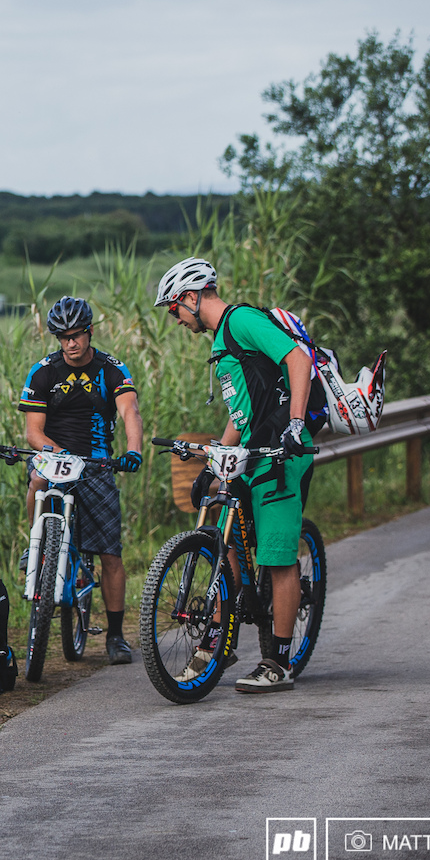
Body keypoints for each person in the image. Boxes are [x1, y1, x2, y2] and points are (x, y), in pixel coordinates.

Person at [155, 257, 314, 693]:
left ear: (190, 297)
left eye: (173, 309)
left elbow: (298, 360)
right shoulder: (221, 340)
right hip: (251, 448)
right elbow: (240, 414)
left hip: (281, 451)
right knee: (225, 546)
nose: (175, 319)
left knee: (278, 557)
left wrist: (296, 427)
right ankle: (219, 643)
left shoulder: (240, 320)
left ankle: (277, 663)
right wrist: (212, 465)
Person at [18, 296, 145, 665]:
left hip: (97, 462)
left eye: (76, 336)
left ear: (89, 332)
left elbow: (129, 411)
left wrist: (133, 450)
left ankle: (116, 635)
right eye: (63, 337)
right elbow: (33, 433)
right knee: (37, 483)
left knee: (110, 552)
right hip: (55, 455)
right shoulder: (43, 372)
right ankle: (36, 544)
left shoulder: (111, 368)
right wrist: (57, 453)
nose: (70, 344)